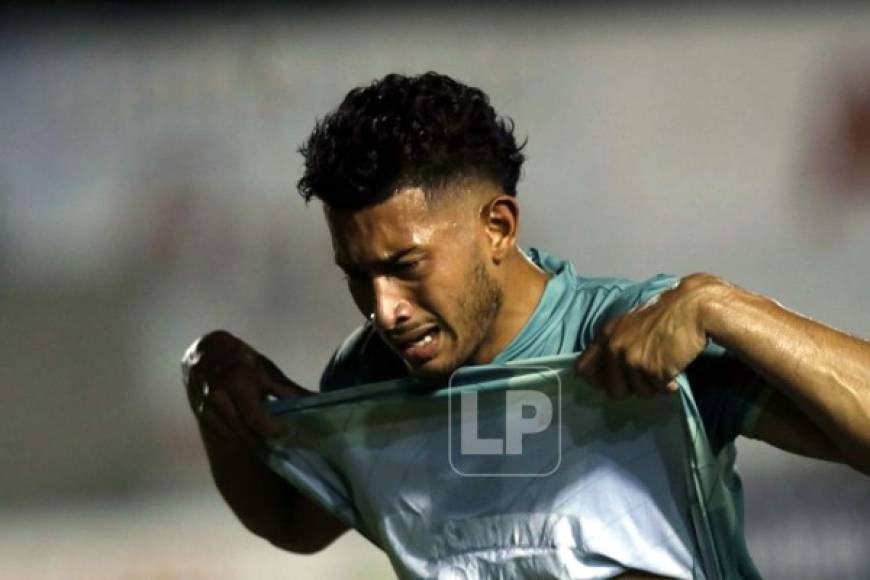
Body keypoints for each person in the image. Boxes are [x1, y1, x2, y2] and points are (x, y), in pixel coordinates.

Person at [182, 72, 870, 575]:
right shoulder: (371, 372)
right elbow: (292, 524)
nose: (383, 307)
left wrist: (724, 307)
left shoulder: (637, 339)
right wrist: (207, 391)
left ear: (498, 228)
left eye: (406, 265)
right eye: (357, 274)